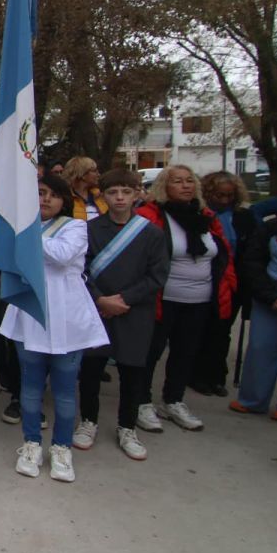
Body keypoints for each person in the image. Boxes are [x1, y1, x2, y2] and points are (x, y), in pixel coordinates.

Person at [0, 175, 107, 482]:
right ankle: (31, 443)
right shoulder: (21, 229)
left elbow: (60, 256)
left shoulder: (75, 227)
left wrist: (22, 235)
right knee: (31, 388)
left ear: (64, 199)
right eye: (37, 194)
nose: (44, 199)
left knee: (63, 391)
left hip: (66, 318)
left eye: (50, 194)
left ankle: (61, 448)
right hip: (29, 314)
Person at [135, 165, 236, 433]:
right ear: (164, 187)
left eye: (189, 181)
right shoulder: (151, 215)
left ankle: (173, 401)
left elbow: (222, 254)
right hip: (162, 298)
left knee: (185, 351)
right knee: (151, 351)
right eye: (177, 181)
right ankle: (142, 402)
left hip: (199, 299)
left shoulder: (205, 217)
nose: (185, 186)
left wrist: (227, 286)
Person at [78, 169, 170, 462]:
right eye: (113, 192)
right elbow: (80, 269)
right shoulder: (90, 230)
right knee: (92, 369)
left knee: (133, 371)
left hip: (134, 310)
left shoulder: (151, 233)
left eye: (126, 192)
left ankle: (127, 426)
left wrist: (125, 299)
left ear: (137, 194)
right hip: (98, 308)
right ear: (103, 196)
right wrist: (100, 299)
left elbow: (157, 275)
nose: (120, 198)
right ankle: (88, 420)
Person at [191, 171, 255, 396]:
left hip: (231, 280)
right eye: (219, 195)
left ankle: (217, 376)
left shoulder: (243, 217)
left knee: (222, 330)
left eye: (229, 195)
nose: (224, 200)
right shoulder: (200, 214)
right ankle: (197, 375)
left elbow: (250, 250)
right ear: (209, 193)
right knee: (202, 328)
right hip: (206, 277)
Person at [229, 200, 277, 422]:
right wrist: (271, 295)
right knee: (260, 348)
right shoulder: (271, 228)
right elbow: (253, 262)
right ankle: (252, 400)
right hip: (269, 297)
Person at [64, 156, 107, 221]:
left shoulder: (100, 195)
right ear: (82, 174)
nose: (98, 174)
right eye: (94, 171)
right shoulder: (65, 198)